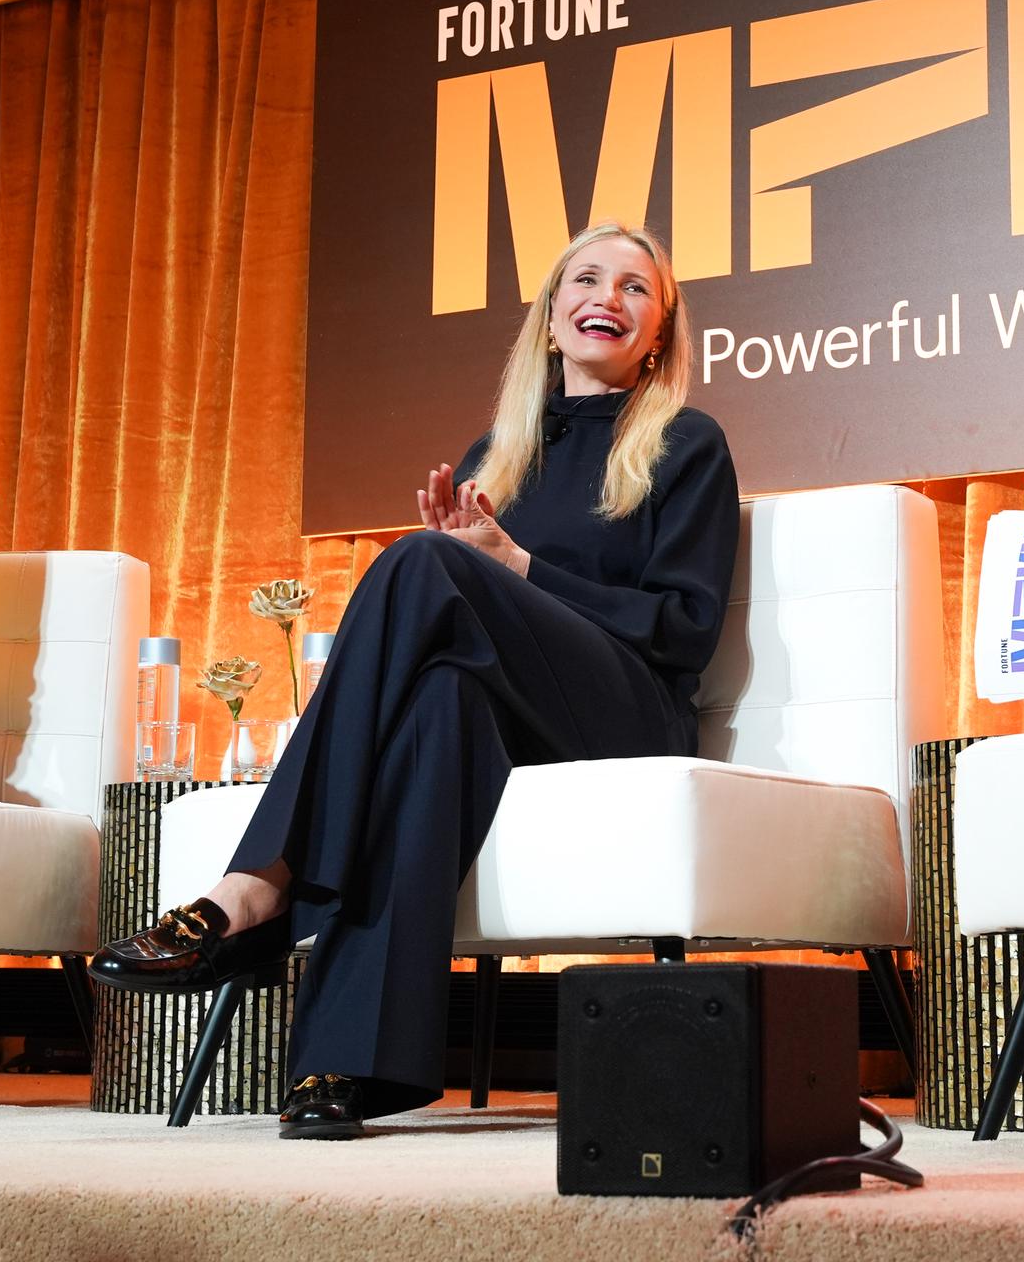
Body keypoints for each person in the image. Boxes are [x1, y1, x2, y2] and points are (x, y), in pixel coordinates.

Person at [90, 221, 740, 1138]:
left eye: (637, 288)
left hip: (627, 715)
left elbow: (686, 629)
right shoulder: (498, 456)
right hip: (510, 722)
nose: (609, 297)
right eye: (586, 280)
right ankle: (348, 1064)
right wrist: (473, 566)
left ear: (660, 333)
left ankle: (259, 888)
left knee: (415, 565)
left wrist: (512, 567)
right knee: (440, 708)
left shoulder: (686, 442)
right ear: (550, 321)